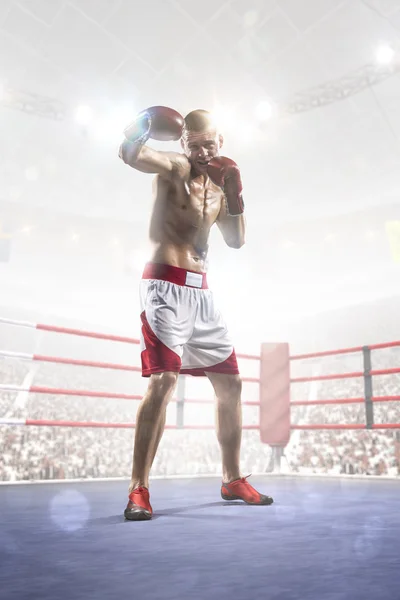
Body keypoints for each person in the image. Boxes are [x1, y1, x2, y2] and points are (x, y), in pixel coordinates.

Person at [119, 106, 273, 520]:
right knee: (164, 382)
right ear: (184, 143)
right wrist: (139, 128)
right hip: (164, 286)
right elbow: (131, 154)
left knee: (232, 385)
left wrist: (236, 194)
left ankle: (233, 478)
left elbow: (236, 241)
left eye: (210, 144)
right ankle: (138, 488)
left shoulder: (221, 184)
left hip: (202, 293)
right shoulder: (172, 167)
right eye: (196, 145)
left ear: (221, 142)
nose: (203, 152)